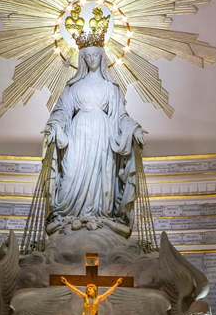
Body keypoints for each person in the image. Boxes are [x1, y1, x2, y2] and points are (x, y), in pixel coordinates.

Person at [43, 42, 146, 237]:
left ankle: (98, 216)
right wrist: (54, 126)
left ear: (102, 57)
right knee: (71, 173)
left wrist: (134, 129)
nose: (91, 59)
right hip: (77, 136)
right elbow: (61, 112)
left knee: (102, 176)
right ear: (82, 59)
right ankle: (70, 214)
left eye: (95, 55)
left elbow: (121, 116)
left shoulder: (111, 87)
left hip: (103, 138)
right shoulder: (73, 87)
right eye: (87, 56)